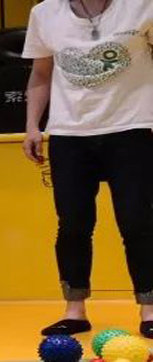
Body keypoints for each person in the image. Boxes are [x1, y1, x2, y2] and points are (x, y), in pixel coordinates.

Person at [22, 0, 153, 336]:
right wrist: (33, 126)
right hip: (69, 133)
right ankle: (75, 310)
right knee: (73, 224)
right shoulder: (44, 13)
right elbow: (41, 74)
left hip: (132, 128)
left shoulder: (142, 6)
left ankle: (149, 309)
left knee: (137, 221)